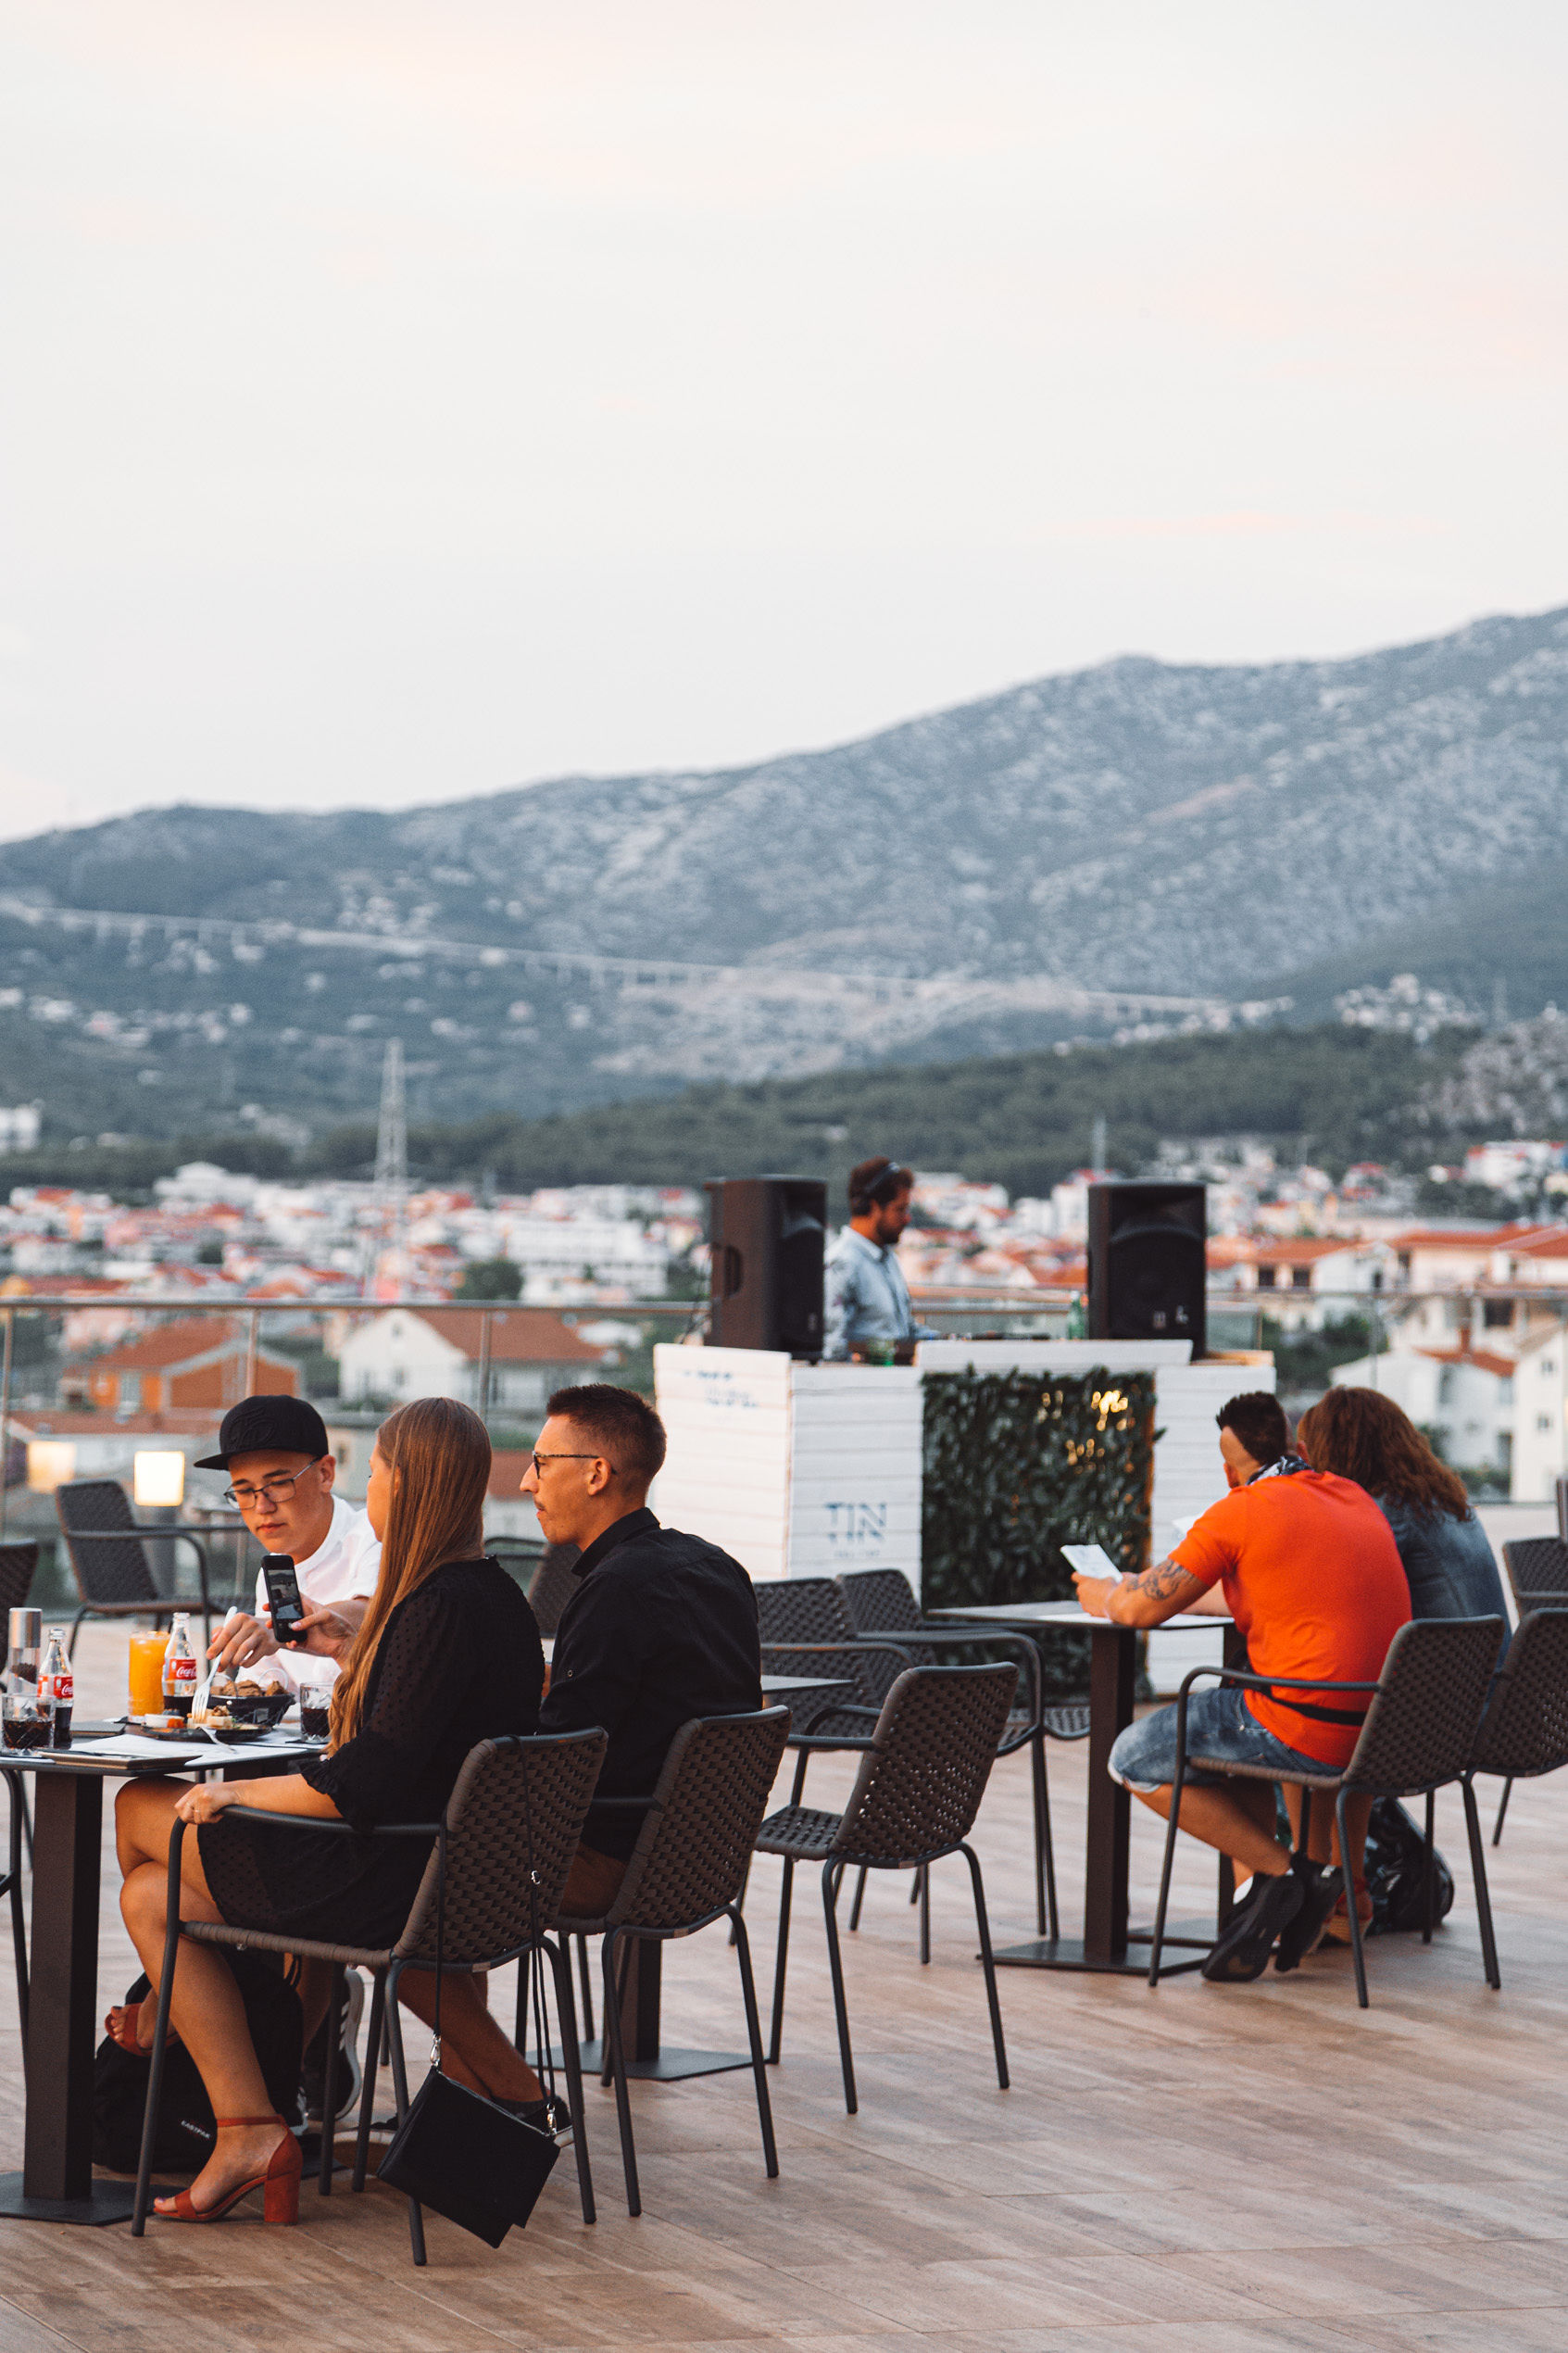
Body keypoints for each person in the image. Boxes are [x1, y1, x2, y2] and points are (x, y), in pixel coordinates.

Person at [113, 1396, 547, 2225]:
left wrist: (231, 1794)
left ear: (407, 1485)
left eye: (379, 1471)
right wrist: (352, 1648)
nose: (373, 1491)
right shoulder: (487, 1595)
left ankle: (229, 2091)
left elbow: (363, 1781)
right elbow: (414, 1727)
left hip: (392, 1879)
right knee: (146, 1897)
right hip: (452, 1866)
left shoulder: (435, 1605)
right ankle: (251, 2123)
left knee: (144, 1809)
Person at [1073, 1390, 1411, 1982]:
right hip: (1375, 1729)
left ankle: (1284, 1876)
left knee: (1132, 1759)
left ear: (1229, 1470)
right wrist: (1146, 1587)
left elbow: (1136, 1614)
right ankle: (1293, 1887)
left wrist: (1105, 1594)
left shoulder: (1237, 1511)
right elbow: (1241, 1586)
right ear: (1298, 1449)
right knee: (1235, 1739)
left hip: (1297, 1724)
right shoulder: (1351, 1495)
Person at [528, 1383, 762, 1914]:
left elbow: (558, 1759)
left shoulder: (615, 1589)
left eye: (541, 1463)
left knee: (398, 1860)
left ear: (596, 1474)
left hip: (610, 1866)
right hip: (707, 1860)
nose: (526, 1481)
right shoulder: (719, 1566)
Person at [194, 1396, 381, 1693]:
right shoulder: (272, 1571)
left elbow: (368, 1610)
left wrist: (280, 1628)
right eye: (244, 1491)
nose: (262, 1506)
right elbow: (268, 1679)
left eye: (279, 1484)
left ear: (325, 1474)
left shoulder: (372, 1537)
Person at [1296, 1386, 1510, 1621]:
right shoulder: (1439, 1498)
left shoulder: (1390, 1509)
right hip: (1488, 1655)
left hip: (1442, 1656)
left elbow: (1336, 1588)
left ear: (1333, 1450)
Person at [823, 1156, 938, 1362]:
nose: (907, 1218)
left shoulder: (887, 1258)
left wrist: (953, 1343)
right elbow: (833, 1349)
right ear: (874, 1207)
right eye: (900, 1209)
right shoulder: (841, 1263)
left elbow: (904, 1331)